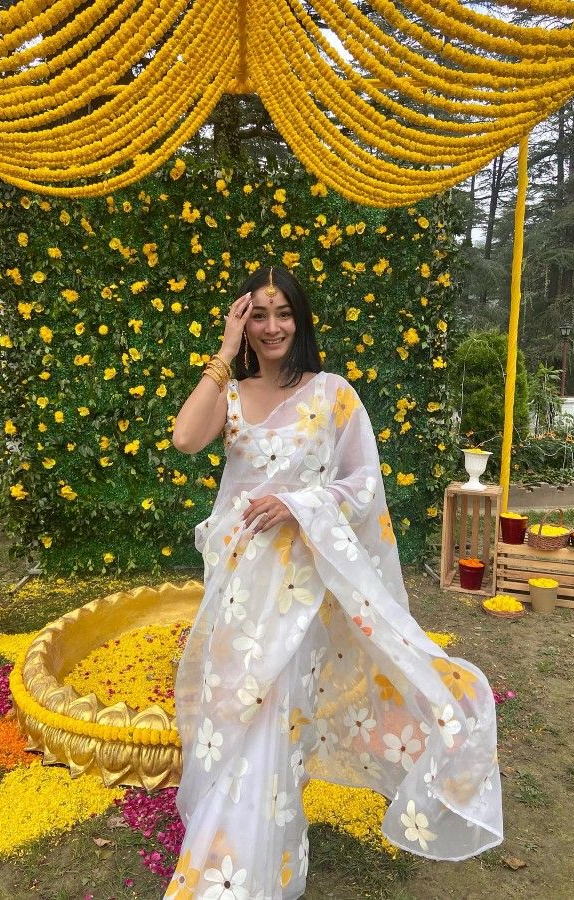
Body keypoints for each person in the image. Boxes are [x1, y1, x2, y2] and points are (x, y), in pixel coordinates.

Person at [168, 266, 502, 899]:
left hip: (300, 588)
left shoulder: (333, 394)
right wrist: (221, 351)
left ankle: (241, 877)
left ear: (301, 319)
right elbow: (186, 437)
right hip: (238, 584)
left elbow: (363, 484)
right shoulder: (232, 393)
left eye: (282, 313)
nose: (271, 327)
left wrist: (300, 503)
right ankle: (239, 851)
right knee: (231, 710)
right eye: (258, 315)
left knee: (272, 718)